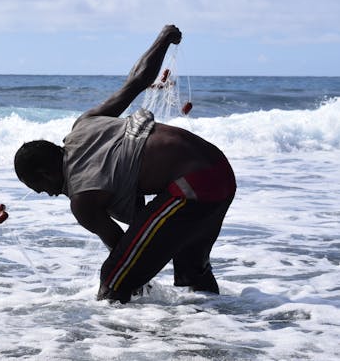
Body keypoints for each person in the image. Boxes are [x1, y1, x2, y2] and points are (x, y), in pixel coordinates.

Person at [14, 25, 236, 303]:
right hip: (221, 171)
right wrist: (163, 39)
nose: (47, 194)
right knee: (193, 272)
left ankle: (108, 343)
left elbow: (121, 250)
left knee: (112, 279)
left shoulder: (82, 200)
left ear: (45, 173)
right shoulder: (85, 124)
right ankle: (226, 329)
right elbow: (137, 81)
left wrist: (128, 278)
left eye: (40, 187)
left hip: (194, 184)